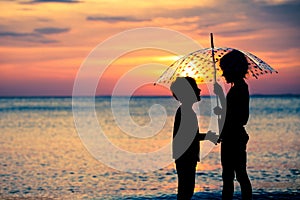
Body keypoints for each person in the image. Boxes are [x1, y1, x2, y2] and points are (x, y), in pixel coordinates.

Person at [170, 77, 218, 200]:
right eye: (196, 88)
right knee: (186, 192)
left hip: (185, 157)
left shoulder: (186, 110)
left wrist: (208, 136)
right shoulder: (185, 111)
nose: (199, 89)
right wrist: (208, 136)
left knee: (186, 191)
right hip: (186, 157)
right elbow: (188, 136)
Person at [213, 50, 252, 200]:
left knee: (236, 175)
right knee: (230, 175)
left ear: (233, 69)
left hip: (234, 138)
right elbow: (231, 114)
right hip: (231, 136)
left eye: (224, 70)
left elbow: (241, 118)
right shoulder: (237, 88)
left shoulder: (240, 89)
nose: (223, 75)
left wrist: (221, 101)